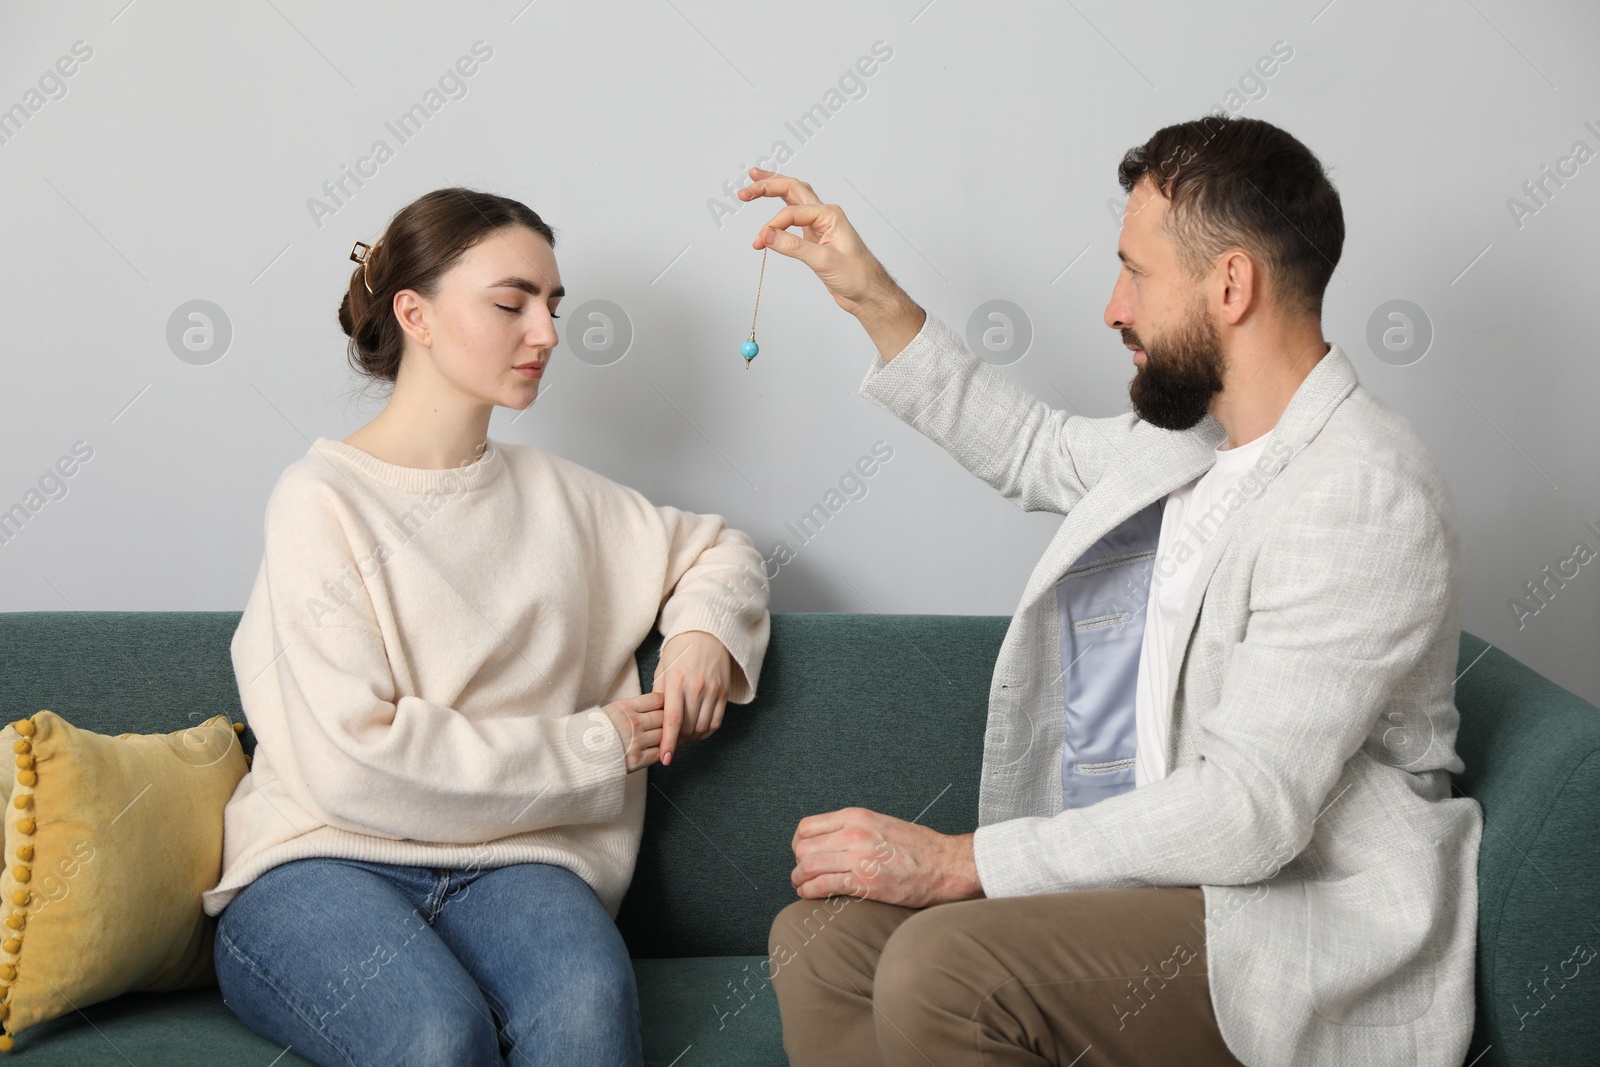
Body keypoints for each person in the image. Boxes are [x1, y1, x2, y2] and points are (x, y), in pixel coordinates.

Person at [746, 115, 1482, 1067]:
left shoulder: (1359, 489)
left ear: (1230, 285)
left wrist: (961, 861)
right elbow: (1026, 447)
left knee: (944, 965)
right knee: (824, 943)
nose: (1111, 307)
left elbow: (1250, 812)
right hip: (1169, 886)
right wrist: (869, 294)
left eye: (1135, 271)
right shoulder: (1192, 445)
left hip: (1285, 921)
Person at [203, 187, 771, 1066]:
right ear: (414, 313)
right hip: (321, 861)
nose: (545, 332)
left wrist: (702, 633)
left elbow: (721, 551)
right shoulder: (320, 501)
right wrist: (593, 747)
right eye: (512, 304)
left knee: (586, 1011)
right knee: (436, 1035)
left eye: (552, 307)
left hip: (520, 863)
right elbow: (354, 761)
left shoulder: (561, 496)